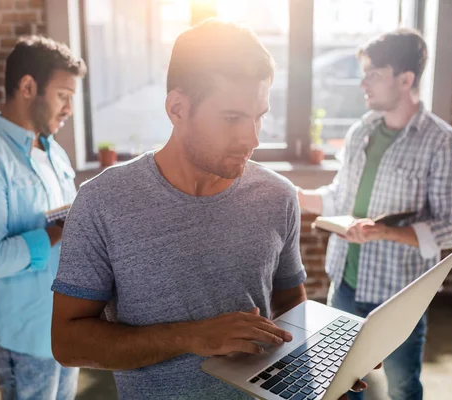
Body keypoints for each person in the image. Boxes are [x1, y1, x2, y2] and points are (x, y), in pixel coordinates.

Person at [50, 20, 374, 400]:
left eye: (260, 116)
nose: (252, 138)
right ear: (177, 108)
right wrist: (192, 336)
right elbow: (68, 342)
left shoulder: (277, 195)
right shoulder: (102, 202)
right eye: (232, 118)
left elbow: (289, 304)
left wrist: (323, 364)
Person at [297, 28, 452, 400]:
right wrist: (295, 195)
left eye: (373, 74)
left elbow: (451, 228)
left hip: (398, 297)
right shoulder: (361, 131)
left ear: (406, 79)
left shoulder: (446, 144)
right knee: (343, 386)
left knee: (403, 387)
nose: (363, 83)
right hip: (344, 285)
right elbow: (340, 198)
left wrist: (384, 232)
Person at [0, 36, 86, 399]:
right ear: (28, 87)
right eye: (62, 95)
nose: (69, 107)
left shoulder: (54, 153)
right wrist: (59, 231)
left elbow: (65, 223)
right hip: (23, 335)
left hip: (64, 326)